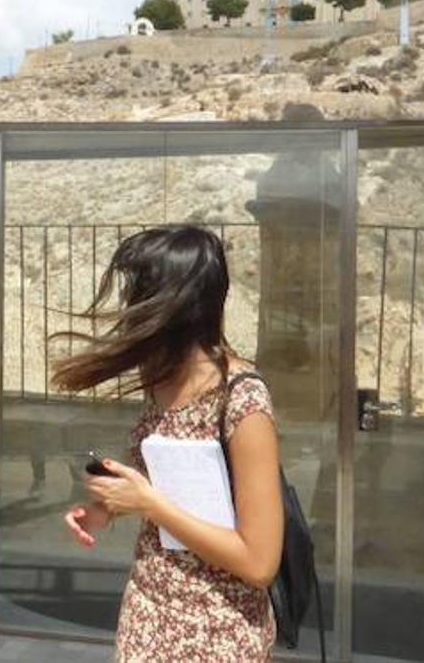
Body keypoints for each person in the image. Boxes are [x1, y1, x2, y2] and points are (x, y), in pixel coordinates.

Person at [58, 226, 284, 661]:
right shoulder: (161, 383)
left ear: (172, 303)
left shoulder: (243, 400)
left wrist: (149, 504)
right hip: (148, 616)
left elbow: (259, 563)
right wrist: (105, 509)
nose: (128, 307)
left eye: (138, 293)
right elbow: (161, 490)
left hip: (216, 632)